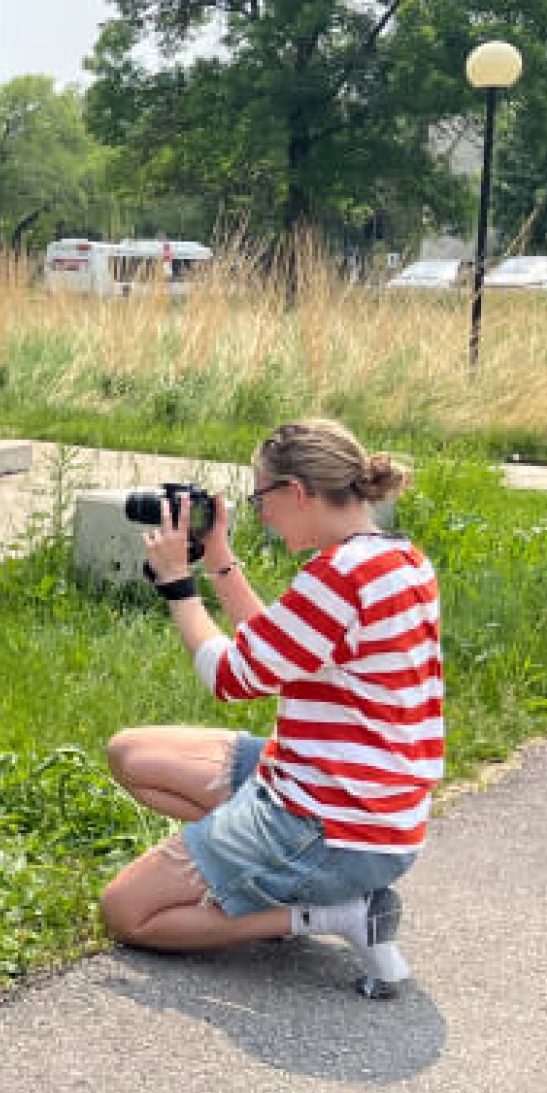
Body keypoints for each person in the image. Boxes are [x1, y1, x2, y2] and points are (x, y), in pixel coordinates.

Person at [97, 419, 442, 997]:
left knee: (126, 910)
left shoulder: (338, 577)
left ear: (296, 493)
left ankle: (335, 914)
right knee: (130, 755)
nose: (261, 513)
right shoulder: (397, 559)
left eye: (262, 498)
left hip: (331, 821)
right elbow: (277, 649)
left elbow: (233, 677)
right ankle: (260, 874)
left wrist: (179, 587)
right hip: (368, 802)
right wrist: (219, 558)